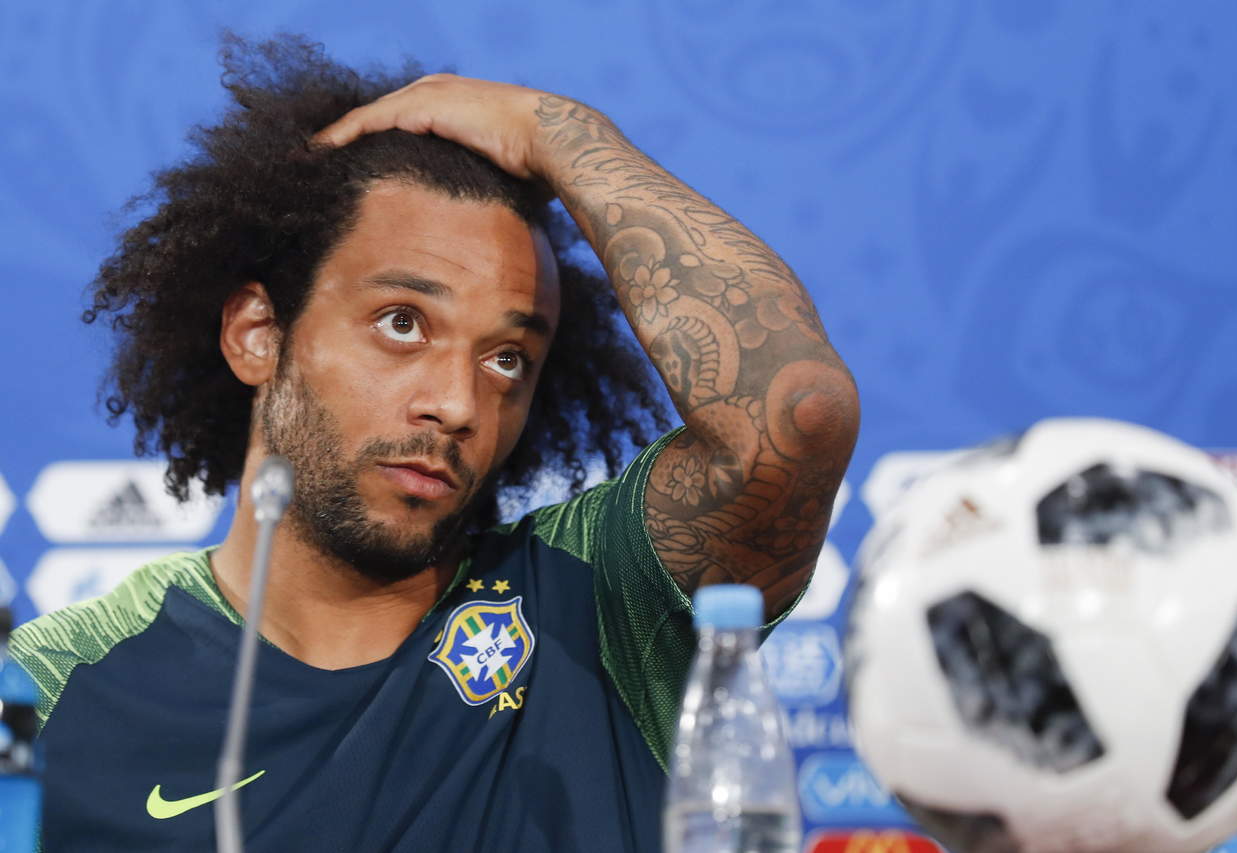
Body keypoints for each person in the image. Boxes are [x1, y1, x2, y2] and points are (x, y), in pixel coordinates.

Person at [12, 35, 858, 852]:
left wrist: (558, 131)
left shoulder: (601, 601)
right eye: (402, 323)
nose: (457, 404)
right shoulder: (54, 689)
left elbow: (797, 413)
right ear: (258, 334)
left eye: (506, 358)